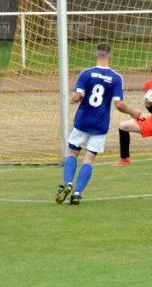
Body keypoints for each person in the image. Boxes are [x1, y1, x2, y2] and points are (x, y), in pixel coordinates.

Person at [55, 43, 142, 205]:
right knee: (88, 160)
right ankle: (77, 193)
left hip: (82, 121)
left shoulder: (86, 74)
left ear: (96, 54)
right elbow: (119, 104)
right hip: (100, 125)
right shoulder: (116, 77)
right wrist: (132, 112)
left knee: (72, 153)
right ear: (111, 56)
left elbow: (74, 98)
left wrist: (81, 97)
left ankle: (67, 183)